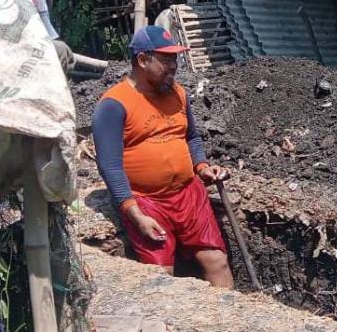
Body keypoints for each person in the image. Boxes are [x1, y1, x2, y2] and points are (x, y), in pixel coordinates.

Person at [92, 26, 234, 288]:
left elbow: (191, 137)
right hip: (148, 202)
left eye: (175, 58)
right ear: (142, 60)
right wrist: (136, 215)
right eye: (166, 59)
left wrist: (202, 167)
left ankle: (230, 314)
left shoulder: (178, 93)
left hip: (189, 195)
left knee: (217, 261)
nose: (174, 66)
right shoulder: (114, 104)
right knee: (161, 277)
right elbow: (109, 166)